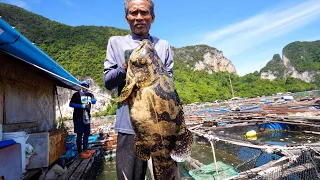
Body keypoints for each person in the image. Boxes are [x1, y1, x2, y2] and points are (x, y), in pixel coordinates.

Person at [103, 0, 176, 179]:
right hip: (129, 128)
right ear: (126, 17)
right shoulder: (116, 42)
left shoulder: (163, 45)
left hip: (163, 128)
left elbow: (170, 86)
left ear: (152, 17)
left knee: (168, 174)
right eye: (133, 13)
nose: (138, 18)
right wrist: (125, 68)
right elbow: (108, 81)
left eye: (143, 12)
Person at [69, 80, 97, 153]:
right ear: (81, 86)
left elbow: (94, 101)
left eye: (86, 86)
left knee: (86, 133)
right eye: (83, 85)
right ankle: (79, 151)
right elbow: (71, 104)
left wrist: (92, 100)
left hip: (87, 116)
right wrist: (80, 105)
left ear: (88, 87)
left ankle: (85, 149)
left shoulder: (90, 95)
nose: (84, 87)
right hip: (78, 117)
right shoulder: (76, 94)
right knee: (79, 134)